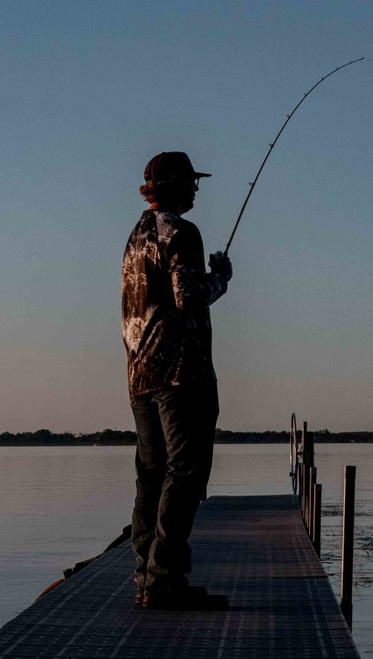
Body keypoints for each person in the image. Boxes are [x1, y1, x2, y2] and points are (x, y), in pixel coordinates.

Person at [121, 151, 233, 609]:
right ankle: (164, 582)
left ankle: (145, 577)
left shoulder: (135, 236)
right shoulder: (181, 232)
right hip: (181, 372)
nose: (196, 190)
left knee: (151, 475)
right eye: (191, 182)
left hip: (139, 374)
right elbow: (189, 296)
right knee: (185, 472)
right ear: (173, 186)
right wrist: (221, 278)